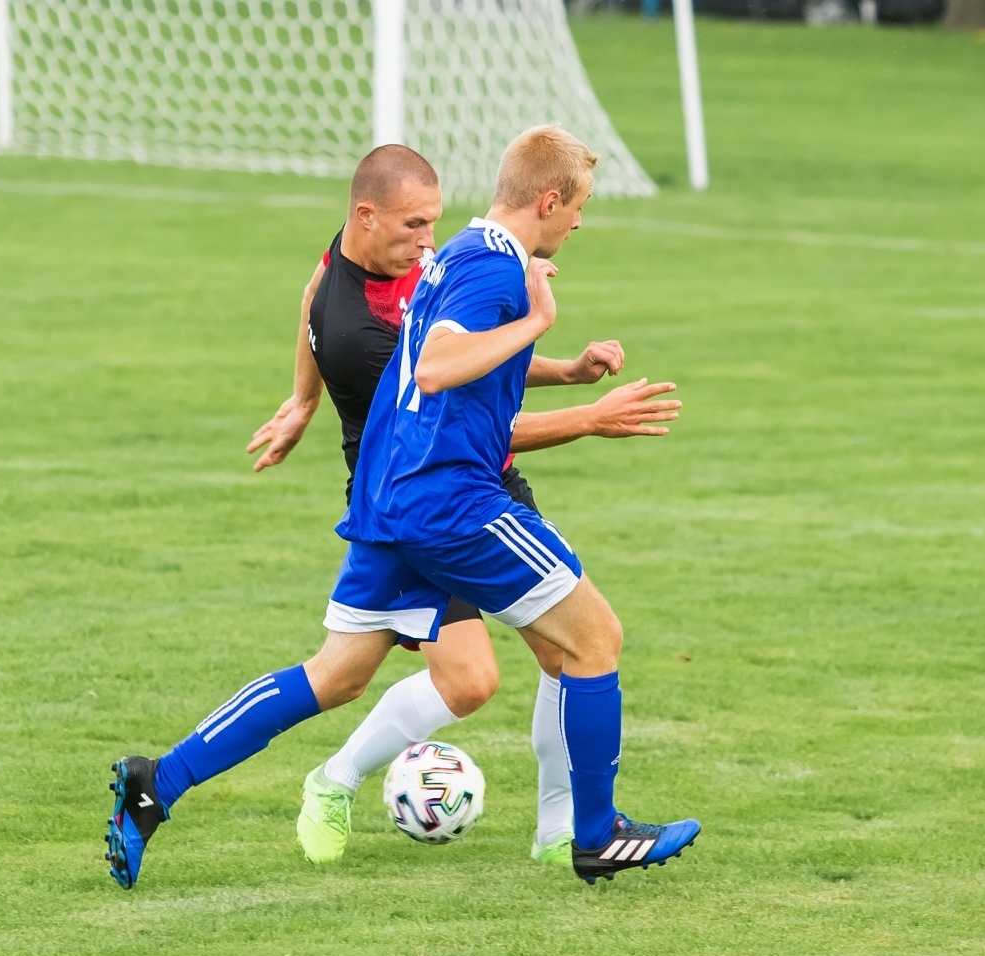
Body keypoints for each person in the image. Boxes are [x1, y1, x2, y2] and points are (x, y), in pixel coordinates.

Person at [105, 125, 699, 888]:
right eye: (579, 205)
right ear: (549, 201)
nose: (580, 220)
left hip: (390, 500)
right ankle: (592, 833)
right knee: (593, 639)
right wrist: (545, 333)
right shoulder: (490, 272)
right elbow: (445, 363)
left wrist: (563, 368)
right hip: (452, 501)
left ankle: (158, 781)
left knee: (338, 674)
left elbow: (334, 295)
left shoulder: (453, 252)